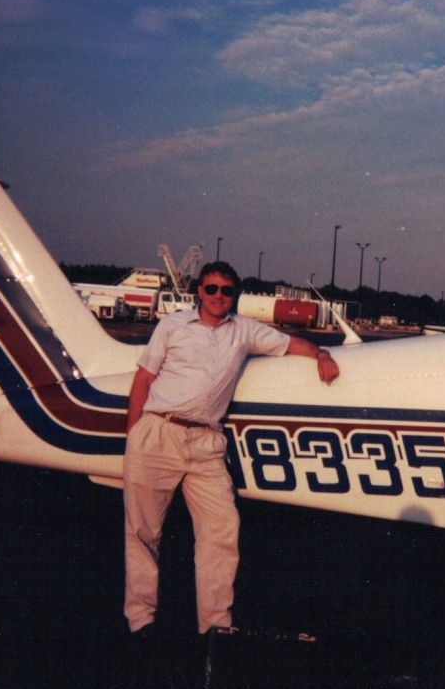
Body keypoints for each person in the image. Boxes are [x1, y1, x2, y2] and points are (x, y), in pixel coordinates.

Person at [122, 261, 339, 679]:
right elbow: (143, 381)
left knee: (222, 531)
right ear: (198, 292)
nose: (218, 296)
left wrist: (322, 352)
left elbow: (290, 343)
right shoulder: (172, 326)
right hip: (158, 433)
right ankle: (140, 621)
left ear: (234, 294)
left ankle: (215, 626)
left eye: (226, 290)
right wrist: (134, 438)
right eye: (211, 289)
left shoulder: (245, 331)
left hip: (206, 442)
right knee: (143, 532)